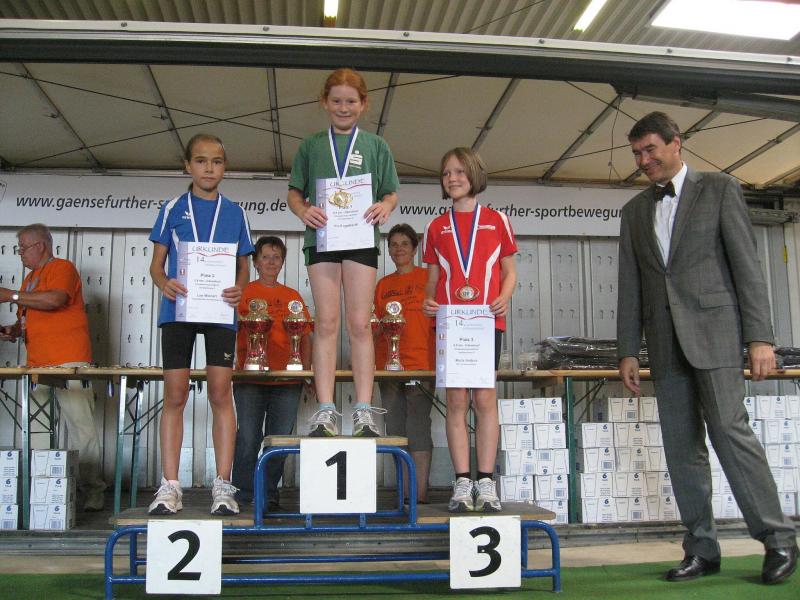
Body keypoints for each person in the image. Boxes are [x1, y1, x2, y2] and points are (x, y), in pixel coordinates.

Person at [617, 111, 797, 585]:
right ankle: (701, 548)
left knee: (731, 436)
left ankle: (778, 538)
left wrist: (760, 337)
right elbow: (630, 284)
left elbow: (746, 267)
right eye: (636, 153)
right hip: (664, 344)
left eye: (650, 149)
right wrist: (627, 349)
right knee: (682, 450)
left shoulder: (719, 189)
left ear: (676, 143)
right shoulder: (634, 211)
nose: (643, 160)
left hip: (716, 336)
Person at [287, 67, 399, 438]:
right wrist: (303, 211)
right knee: (326, 323)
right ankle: (325, 411)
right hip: (322, 238)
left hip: (361, 238)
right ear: (325, 102)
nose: (343, 107)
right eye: (336, 100)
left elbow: (390, 192)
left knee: (360, 324)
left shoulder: (377, 146)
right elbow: (294, 192)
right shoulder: (310, 145)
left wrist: (385, 206)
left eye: (351, 101)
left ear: (363, 104)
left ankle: (363, 410)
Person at [148, 133, 255, 516]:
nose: (209, 168)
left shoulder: (236, 213)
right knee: (175, 395)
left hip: (219, 311)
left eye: (216, 161)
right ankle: (170, 486)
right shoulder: (172, 208)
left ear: (225, 167)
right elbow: (156, 267)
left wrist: (240, 288)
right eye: (201, 160)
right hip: (178, 310)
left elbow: (244, 267)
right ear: (187, 165)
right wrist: (165, 283)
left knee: (220, 394)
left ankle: (223, 484)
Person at [422, 147, 517, 513]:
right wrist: (428, 301)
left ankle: (486, 481)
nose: (453, 178)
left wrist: (504, 297)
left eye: (460, 171)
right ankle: (463, 481)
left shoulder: (497, 220)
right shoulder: (435, 226)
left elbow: (509, 272)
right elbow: (433, 278)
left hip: (486, 322)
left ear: (475, 174)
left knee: (485, 400)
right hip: (451, 324)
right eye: (447, 173)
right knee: (457, 402)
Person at [0, 223, 107, 512]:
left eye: (23, 247)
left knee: (81, 428)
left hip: (69, 362)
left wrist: (10, 295)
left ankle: (93, 490)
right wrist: (14, 330)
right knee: (37, 430)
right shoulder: (29, 280)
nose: (20, 253)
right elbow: (28, 317)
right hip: (37, 365)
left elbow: (55, 300)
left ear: (41, 245)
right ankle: (44, 490)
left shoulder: (62, 268)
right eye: (19, 248)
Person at [231, 236, 312, 511]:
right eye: (265, 257)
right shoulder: (243, 294)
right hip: (249, 379)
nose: (271, 262)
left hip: (287, 380)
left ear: (283, 262)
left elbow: (306, 336)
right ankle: (243, 493)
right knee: (248, 438)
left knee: (279, 440)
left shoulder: (292, 297)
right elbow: (227, 331)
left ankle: (267, 493)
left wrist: (306, 372)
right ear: (255, 262)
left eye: (276, 257)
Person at [374, 223, 435, 503]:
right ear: (388, 250)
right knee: (395, 429)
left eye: (404, 244)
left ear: (415, 248)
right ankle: (403, 493)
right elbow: (374, 325)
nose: (399, 249)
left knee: (418, 427)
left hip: (422, 363)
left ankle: (418, 494)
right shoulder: (383, 285)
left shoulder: (428, 278)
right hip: (388, 367)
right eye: (394, 245)